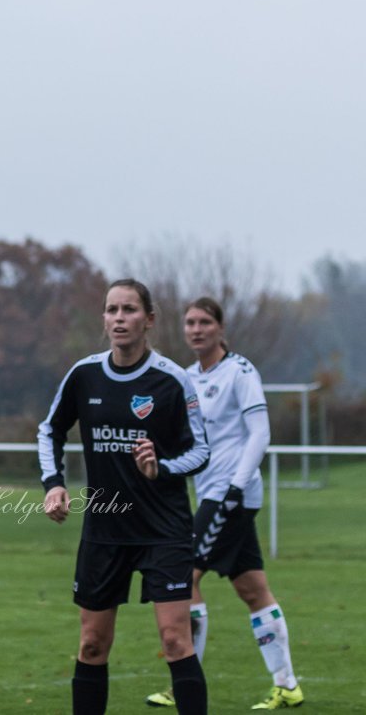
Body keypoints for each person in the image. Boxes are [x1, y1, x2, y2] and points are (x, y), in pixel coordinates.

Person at [37, 278, 211, 715]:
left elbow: (201, 451)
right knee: (92, 644)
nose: (119, 318)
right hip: (105, 529)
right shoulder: (84, 374)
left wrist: (162, 468)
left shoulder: (172, 380)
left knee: (175, 640)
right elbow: (50, 429)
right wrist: (53, 483)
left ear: (148, 319)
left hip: (164, 530)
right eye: (112, 310)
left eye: (129, 310)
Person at [145, 297, 304, 710]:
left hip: (229, 495)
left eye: (204, 322)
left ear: (220, 327)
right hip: (212, 493)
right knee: (253, 590)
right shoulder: (189, 377)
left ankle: (185, 681)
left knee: (185, 577)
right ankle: (287, 685)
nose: (196, 329)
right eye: (190, 323)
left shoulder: (240, 371)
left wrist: (236, 485)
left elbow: (259, 433)